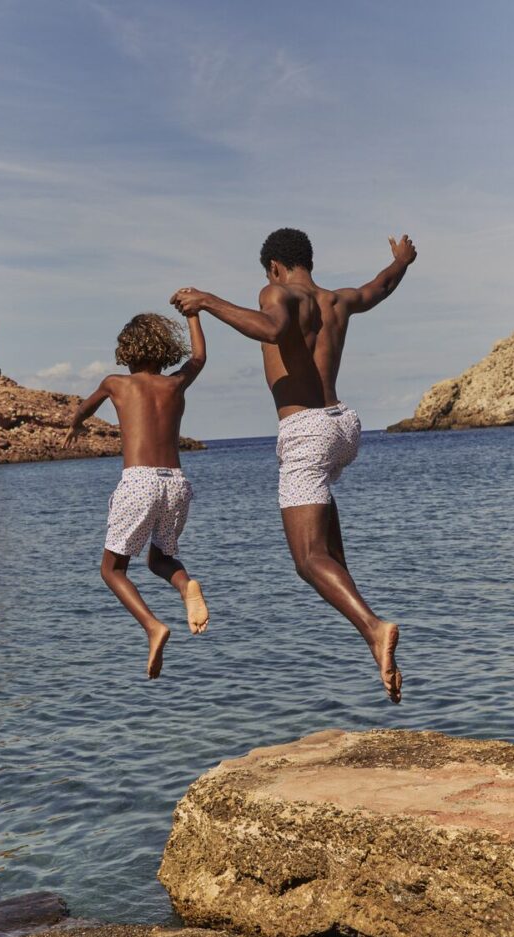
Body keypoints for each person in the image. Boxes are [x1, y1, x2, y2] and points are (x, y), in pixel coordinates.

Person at [170, 229, 417, 703]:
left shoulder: (276, 293)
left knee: (307, 560)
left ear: (275, 267)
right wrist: (402, 261)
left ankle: (374, 627)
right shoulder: (337, 300)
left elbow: (272, 329)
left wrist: (206, 300)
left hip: (306, 430)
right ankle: (374, 641)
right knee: (330, 558)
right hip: (343, 425)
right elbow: (380, 287)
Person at [64, 312, 209, 679]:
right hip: (175, 482)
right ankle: (185, 585)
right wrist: (194, 315)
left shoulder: (115, 383)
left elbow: (85, 407)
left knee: (112, 569)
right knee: (160, 560)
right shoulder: (175, 384)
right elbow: (199, 357)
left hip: (139, 481)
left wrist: (76, 423)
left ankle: (152, 626)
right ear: (164, 349)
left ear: (127, 351)